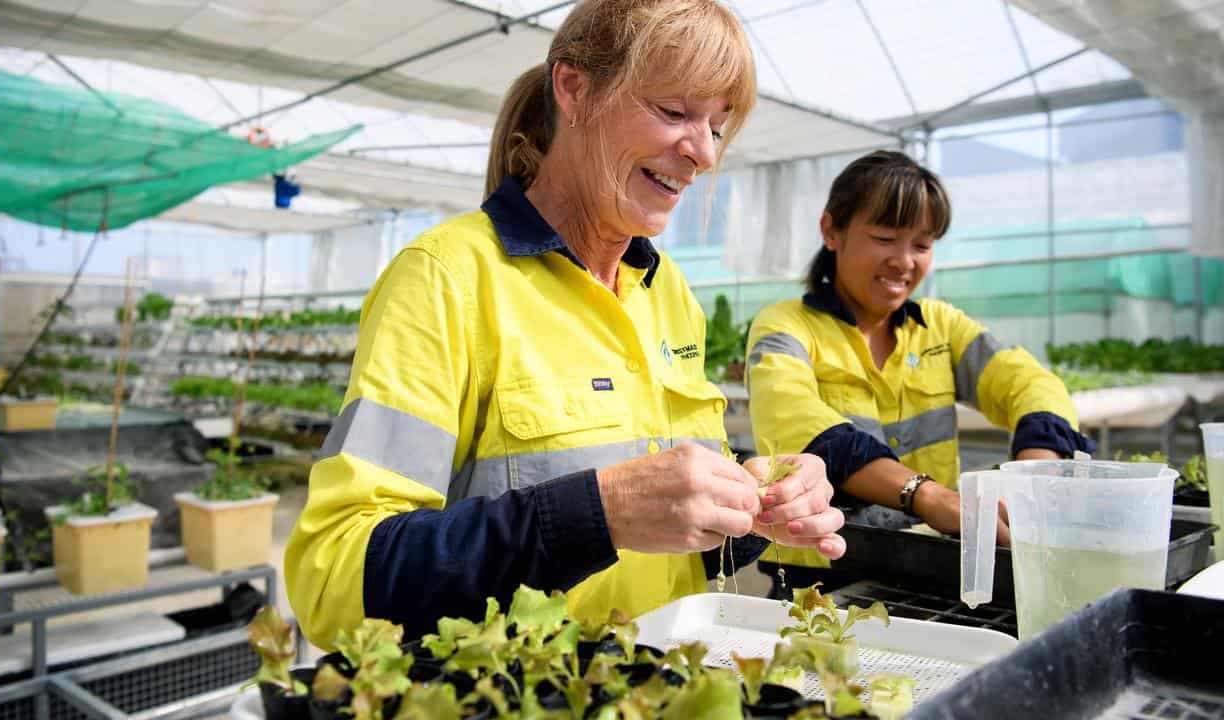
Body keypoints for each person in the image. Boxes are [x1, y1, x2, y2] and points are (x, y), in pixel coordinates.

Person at [284, 0, 846, 649]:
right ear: (575, 89)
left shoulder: (666, 292)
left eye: (717, 127)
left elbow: (676, 547)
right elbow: (333, 581)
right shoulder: (448, 277)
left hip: (660, 680)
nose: (703, 153)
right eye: (674, 112)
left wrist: (755, 507)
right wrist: (595, 514)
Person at [745, 150, 1093, 590]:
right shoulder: (785, 327)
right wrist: (925, 495)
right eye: (886, 238)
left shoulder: (940, 327)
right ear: (832, 231)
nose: (904, 261)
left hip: (929, 565)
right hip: (821, 577)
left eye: (922, 245)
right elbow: (798, 425)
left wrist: (1034, 476)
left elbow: (1030, 383)